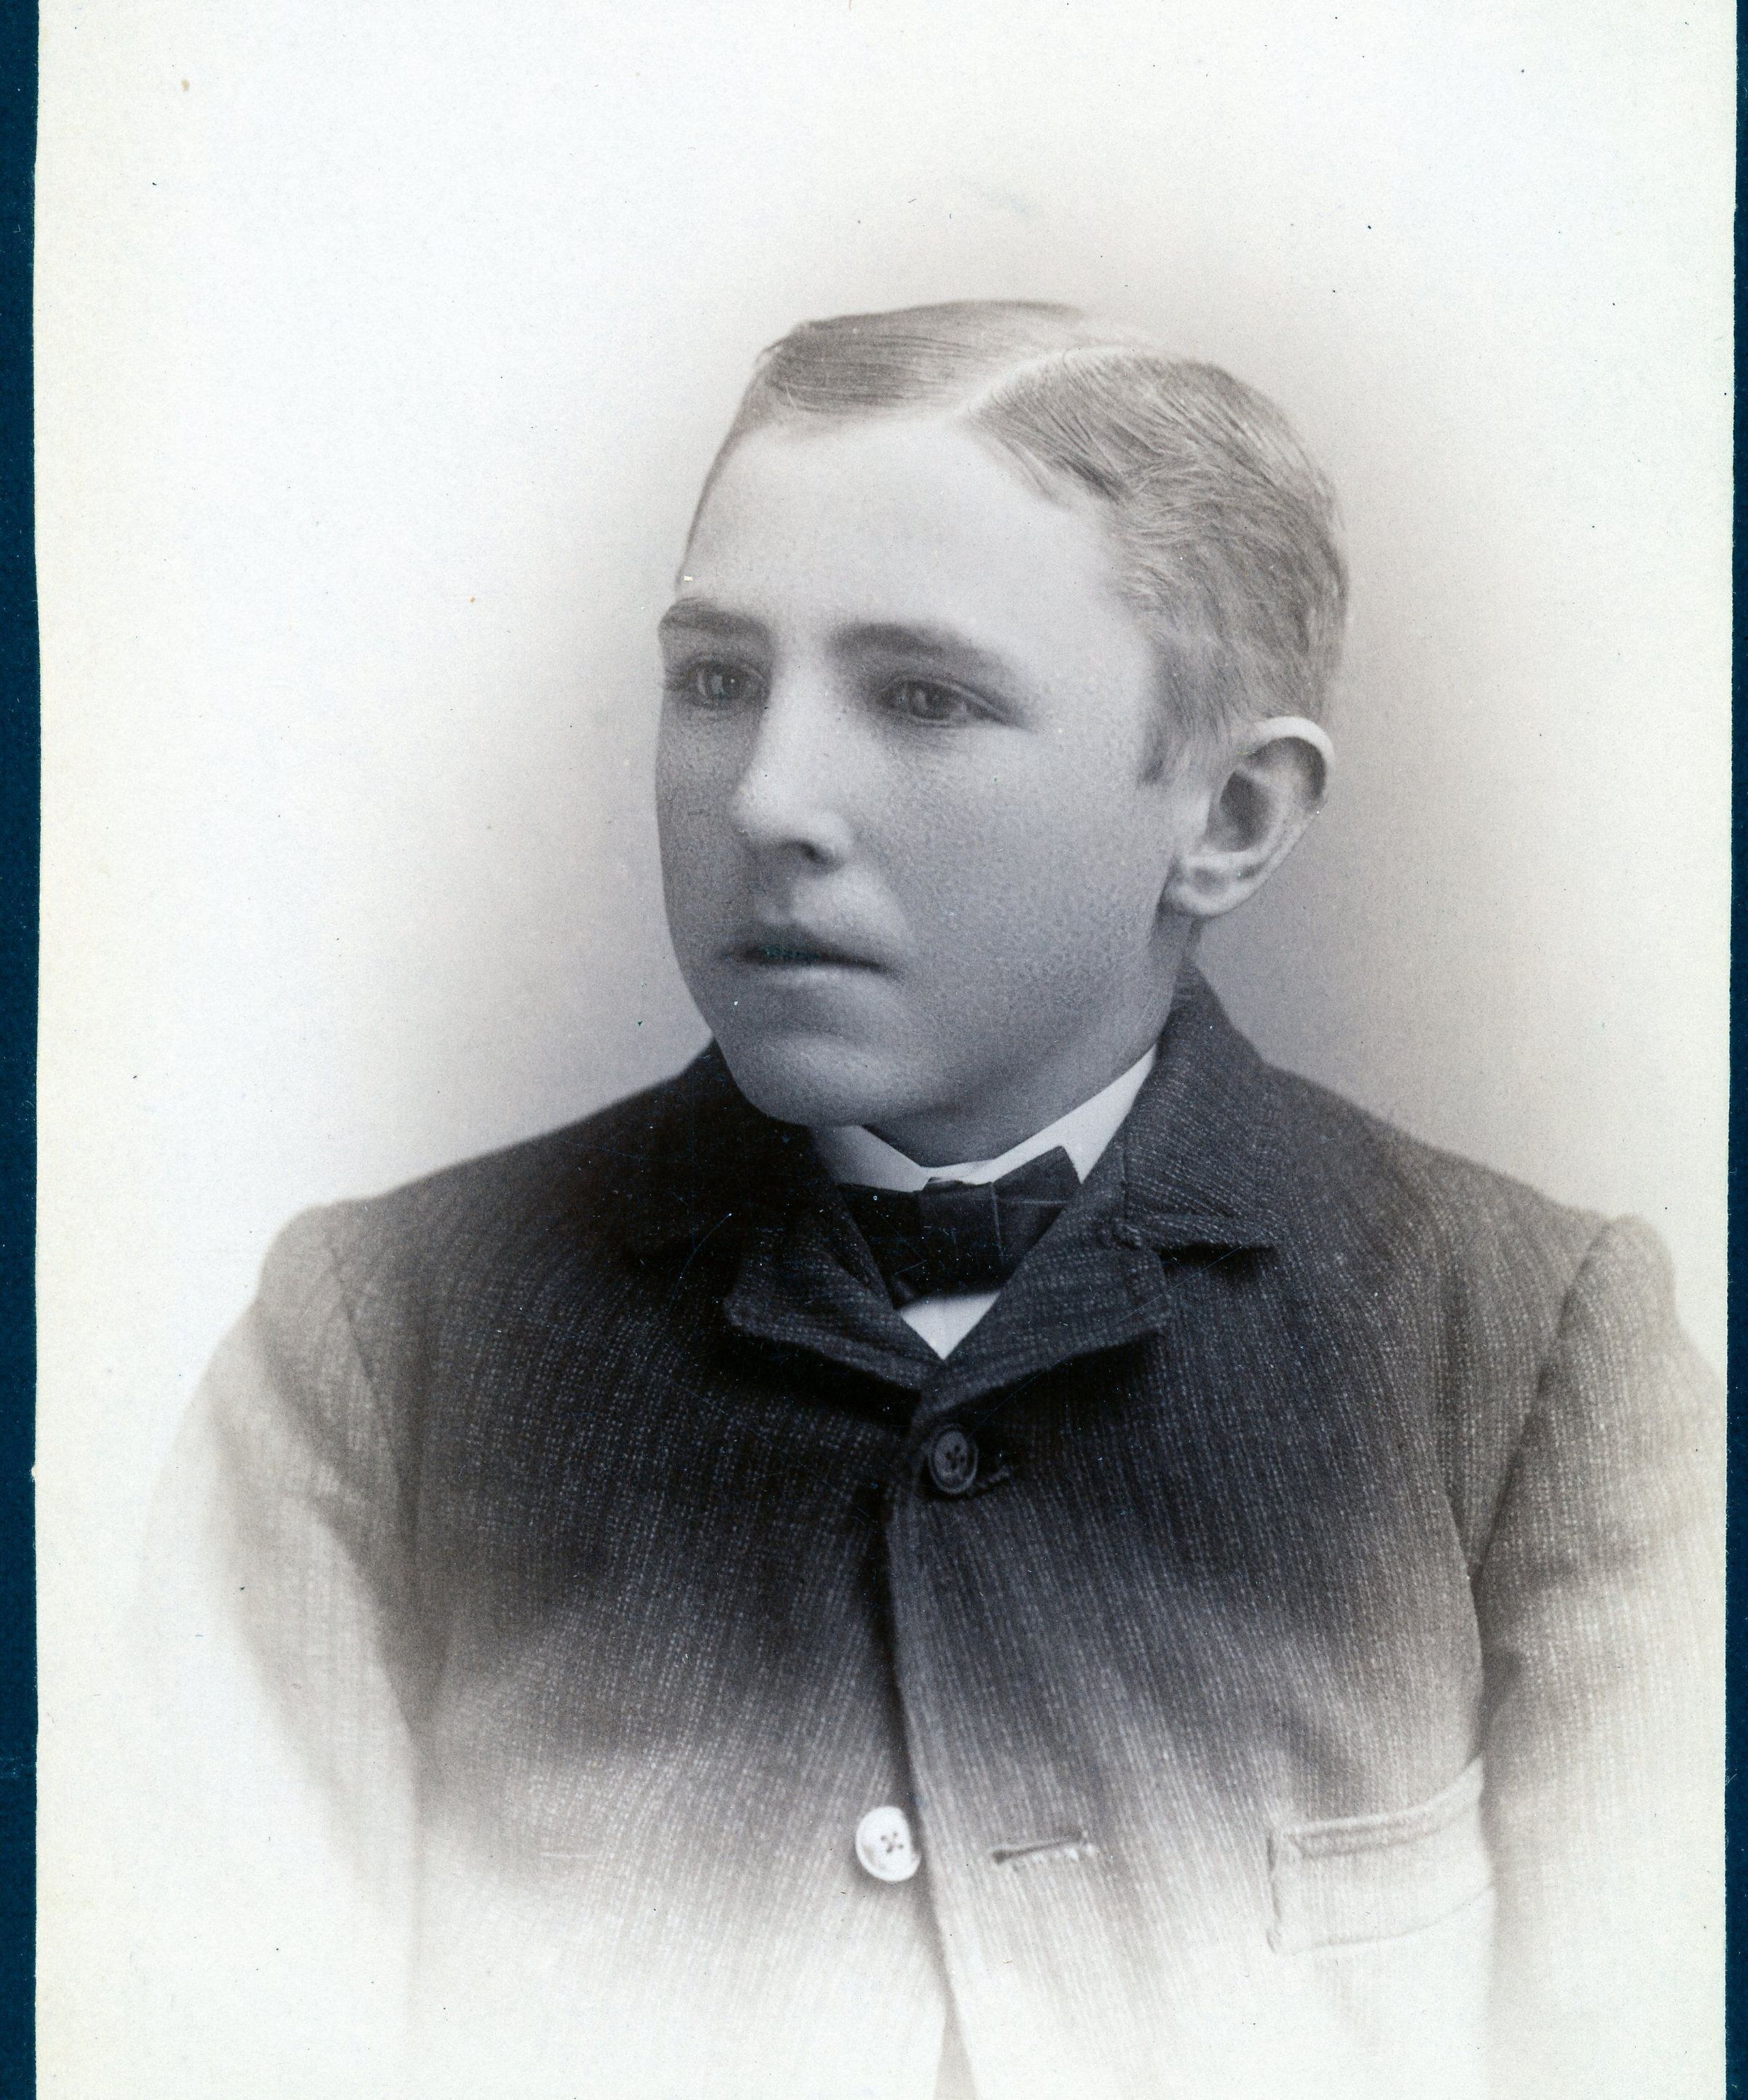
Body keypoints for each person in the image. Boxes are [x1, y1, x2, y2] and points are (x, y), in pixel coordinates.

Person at [143, 301, 1721, 2100]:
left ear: (1230, 814)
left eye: (921, 697)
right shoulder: (381, 1343)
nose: (769, 797)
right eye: (716, 679)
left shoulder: (1531, 1349)